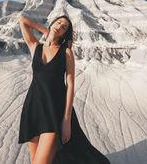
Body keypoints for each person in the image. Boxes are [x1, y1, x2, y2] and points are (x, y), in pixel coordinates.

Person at [18, 14, 110, 164]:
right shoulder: (36, 47)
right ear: (52, 22)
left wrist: (66, 121)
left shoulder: (66, 52)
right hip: (33, 109)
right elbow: (23, 20)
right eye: (58, 23)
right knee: (34, 160)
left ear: (65, 33)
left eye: (63, 27)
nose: (59, 26)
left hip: (55, 111)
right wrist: (49, 32)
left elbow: (70, 84)